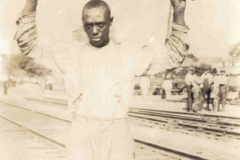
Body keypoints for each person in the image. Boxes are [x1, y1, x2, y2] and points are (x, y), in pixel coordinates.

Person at [15, 0, 192, 159]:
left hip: (117, 131)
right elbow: (28, 43)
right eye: (88, 25)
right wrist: (32, 2)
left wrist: (179, 10)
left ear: (110, 21)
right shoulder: (70, 54)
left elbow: (173, 56)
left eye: (100, 24)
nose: (94, 31)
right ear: (83, 24)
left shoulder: (129, 54)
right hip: (82, 131)